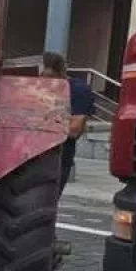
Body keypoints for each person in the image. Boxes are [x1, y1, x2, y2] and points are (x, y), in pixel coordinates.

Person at [41, 51, 95, 195]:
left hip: (58, 157)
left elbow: (73, 130)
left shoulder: (78, 90)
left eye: (50, 79)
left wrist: (42, 120)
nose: (46, 85)